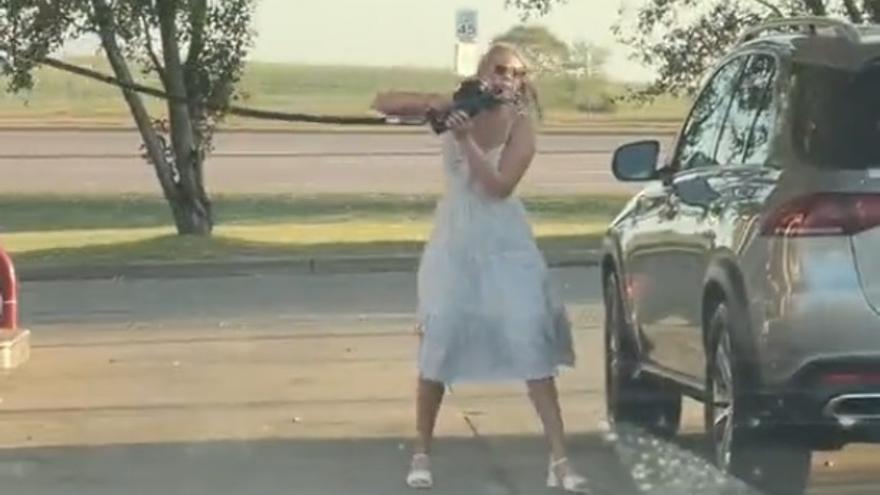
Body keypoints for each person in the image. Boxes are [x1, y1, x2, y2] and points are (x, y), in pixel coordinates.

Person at [405, 42, 589, 493]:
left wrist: (466, 142)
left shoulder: (523, 128)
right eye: (501, 69)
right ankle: (422, 452)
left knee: (529, 336)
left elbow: (498, 188)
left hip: (505, 242)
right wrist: (434, 106)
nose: (509, 78)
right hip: (454, 241)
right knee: (441, 335)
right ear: (484, 71)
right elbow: (381, 104)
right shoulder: (461, 106)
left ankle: (560, 460)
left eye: (517, 73)